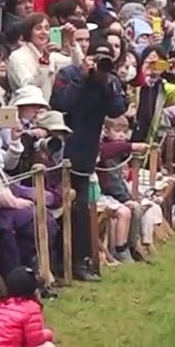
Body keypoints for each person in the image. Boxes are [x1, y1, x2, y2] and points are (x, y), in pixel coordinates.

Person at [49, 41, 129, 282]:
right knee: (67, 208)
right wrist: (83, 78)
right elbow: (61, 103)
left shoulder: (109, 80)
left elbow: (117, 110)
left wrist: (108, 83)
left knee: (83, 209)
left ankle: (80, 261)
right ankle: (59, 261)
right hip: (61, 150)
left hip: (86, 154)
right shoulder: (68, 74)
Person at [0, 266, 56, 347]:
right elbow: (35, 341)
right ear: (33, 291)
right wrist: (48, 334)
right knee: (47, 346)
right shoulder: (30, 307)